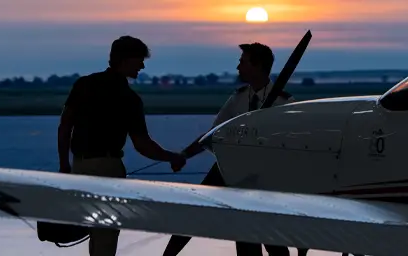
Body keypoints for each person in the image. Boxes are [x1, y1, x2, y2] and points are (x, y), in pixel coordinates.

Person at [161, 42, 303, 256]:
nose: (238, 67)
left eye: (243, 62)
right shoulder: (237, 98)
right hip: (228, 168)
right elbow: (212, 135)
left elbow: (294, 147)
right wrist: (184, 155)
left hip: (265, 177)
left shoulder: (284, 103)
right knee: (197, 211)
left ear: (258, 66)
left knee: (267, 232)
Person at [58, 35, 187, 256]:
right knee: (106, 235)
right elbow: (143, 145)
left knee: (96, 231)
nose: (143, 65)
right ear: (125, 60)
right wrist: (173, 157)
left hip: (79, 166)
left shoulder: (84, 84)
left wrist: (64, 166)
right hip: (107, 168)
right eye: (139, 60)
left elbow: (64, 126)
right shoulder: (128, 98)